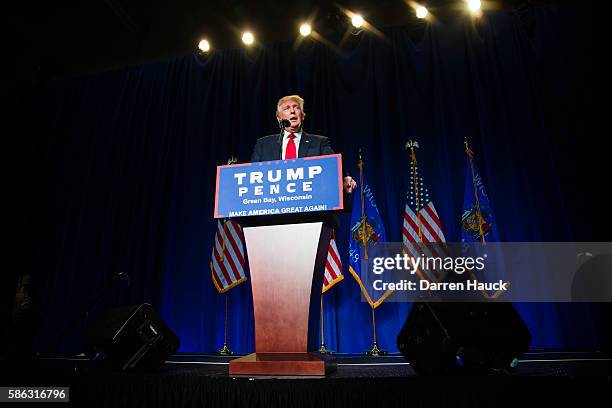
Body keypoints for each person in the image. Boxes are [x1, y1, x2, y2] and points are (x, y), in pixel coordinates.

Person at [250, 94, 357, 194]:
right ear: (279, 119)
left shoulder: (319, 142)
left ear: (302, 116)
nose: (292, 111)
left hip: (310, 202)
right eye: (287, 108)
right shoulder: (263, 144)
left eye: (296, 107)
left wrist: (344, 178)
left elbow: (333, 166)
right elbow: (252, 175)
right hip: (274, 204)